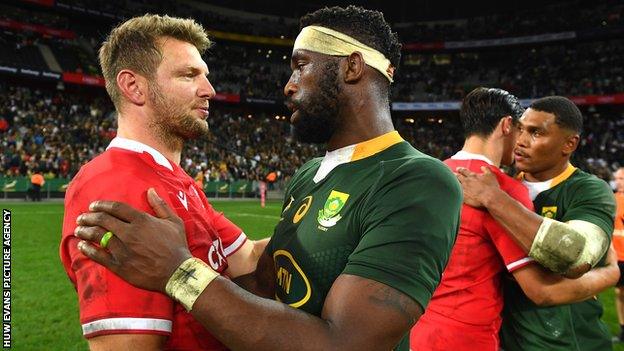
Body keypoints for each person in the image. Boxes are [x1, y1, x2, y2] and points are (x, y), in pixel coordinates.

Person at [73, 6, 463, 350]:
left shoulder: (418, 180)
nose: (288, 85)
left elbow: (346, 343)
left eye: (301, 65)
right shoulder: (310, 174)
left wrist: (179, 272)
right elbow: (262, 283)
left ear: (351, 67)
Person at [60, 15, 267, 350]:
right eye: (189, 75)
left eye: (205, 76)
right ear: (133, 87)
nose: (209, 90)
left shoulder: (173, 178)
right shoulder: (115, 186)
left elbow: (250, 260)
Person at [410, 88, 619, 350]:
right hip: (482, 335)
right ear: (507, 126)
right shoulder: (501, 186)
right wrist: (611, 273)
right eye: (521, 130)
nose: (521, 140)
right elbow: (541, 291)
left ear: (569, 144)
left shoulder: (587, 189)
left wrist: (495, 199)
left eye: (536, 132)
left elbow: (577, 253)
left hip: (566, 342)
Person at [613, 168, 624, 342]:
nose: (618, 181)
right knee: (618, 293)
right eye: (616, 178)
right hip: (617, 256)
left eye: (621, 178)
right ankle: (623, 330)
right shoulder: (612, 198)